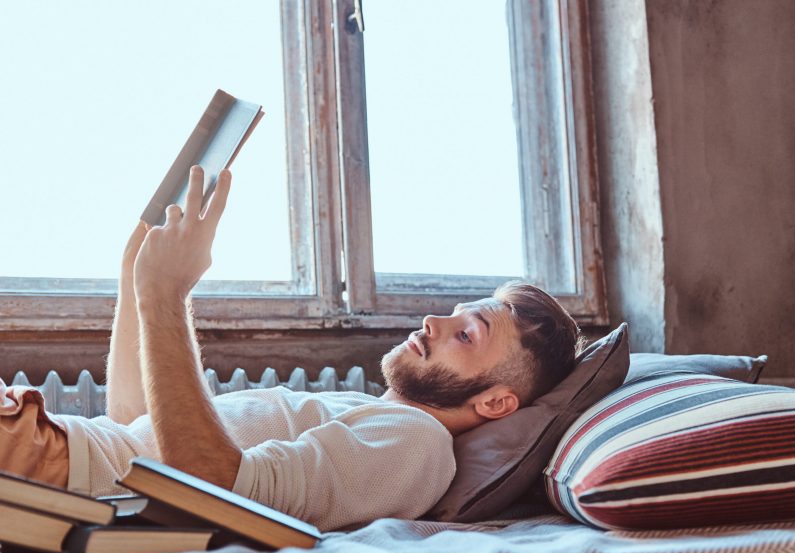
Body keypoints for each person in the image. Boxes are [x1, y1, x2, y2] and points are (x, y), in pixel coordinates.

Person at [0, 167, 583, 531]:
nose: (434, 320)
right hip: (49, 444)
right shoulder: (364, 412)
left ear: (497, 403)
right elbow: (136, 429)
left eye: (466, 333)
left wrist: (166, 295)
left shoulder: (417, 444)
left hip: (40, 457)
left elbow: (211, 490)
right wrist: (137, 277)